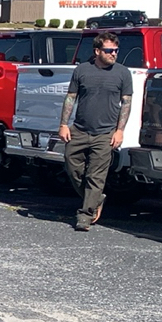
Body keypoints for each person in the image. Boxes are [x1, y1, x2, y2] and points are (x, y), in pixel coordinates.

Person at [58, 31, 134, 231]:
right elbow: (71, 97)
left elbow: (126, 103)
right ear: (97, 51)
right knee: (72, 167)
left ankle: (85, 215)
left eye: (116, 50)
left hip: (105, 133)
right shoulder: (82, 70)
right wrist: (64, 124)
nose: (114, 54)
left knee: (96, 175)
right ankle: (95, 198)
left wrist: (120, 131)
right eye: (109, 50)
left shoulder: (123, 73)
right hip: (80, 130)